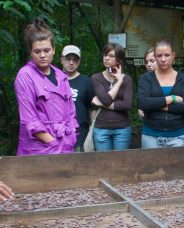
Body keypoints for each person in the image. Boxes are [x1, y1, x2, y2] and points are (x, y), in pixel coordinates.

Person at [14, 18, 78, 155]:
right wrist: (53, 143)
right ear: (31, 52)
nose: (42, 55)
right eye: (37, 51)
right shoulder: (25, 76)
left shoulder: (61, 75)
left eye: (46, 50)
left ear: (54, 50)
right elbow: (29, 119)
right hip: (38, 149)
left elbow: (71, 110)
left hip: (66, 145)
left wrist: (71, 135)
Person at [137, 39, 184, 148]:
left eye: (167, 55)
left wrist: (155, 105)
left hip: (179, 136)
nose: (163, 59)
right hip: (151, 135)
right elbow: (142, 103)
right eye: (159, 56)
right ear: (155, 56)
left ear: (173, 56)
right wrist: (171, 99)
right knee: (152, 165)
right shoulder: (146, 79)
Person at [91, 43, 133, 151]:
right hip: (101, 129)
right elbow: (106, 99)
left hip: (122, 129)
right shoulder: (96, 78)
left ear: (119, 60)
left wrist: (101, 104)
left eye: (111, 55)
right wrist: (119, 83)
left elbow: (127, 105)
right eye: (105, 55)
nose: (106, 58)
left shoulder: (127, 79)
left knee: (121, 164)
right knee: (104, 165)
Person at [61, 45, 95, 152]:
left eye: (75, 59)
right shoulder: (55, 79)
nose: (71, 63)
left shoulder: (86, 81)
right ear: (62, 59)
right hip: (58, 134)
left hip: (79, 134)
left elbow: (93, 108)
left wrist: (92, 130)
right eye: (68, 59)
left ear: (79, 61)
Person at [138, 47, 158, 118]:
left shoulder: (173, 77)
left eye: (152, 61)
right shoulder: (144, 78)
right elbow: (142, 102)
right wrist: (141, 108)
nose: (148, 65)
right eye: (146, 62)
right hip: (150, 123)